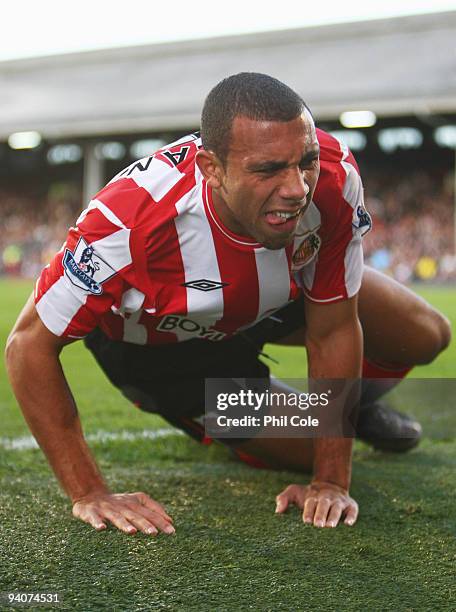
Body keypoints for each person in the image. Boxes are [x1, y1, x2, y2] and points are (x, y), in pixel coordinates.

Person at [6, 73, 451, 536]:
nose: (297, 187)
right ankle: (302, 417)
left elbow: (333, 328)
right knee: (314, 444)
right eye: (268, 169)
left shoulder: (335, 177)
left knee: (424, 334)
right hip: (168, 355)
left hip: (267, 303)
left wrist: (330, 481)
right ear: (211, 168)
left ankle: (348, 407)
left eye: (306, 161)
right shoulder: (129, 220)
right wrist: (89, 492)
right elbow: (28, 346)